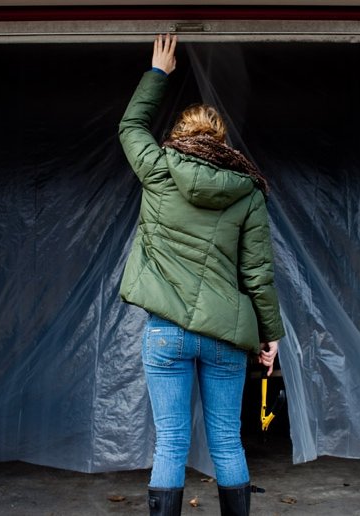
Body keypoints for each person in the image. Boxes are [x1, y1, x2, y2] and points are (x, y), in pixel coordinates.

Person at [118, 34, 285, 516]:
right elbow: (257, 273)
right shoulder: (247, 191)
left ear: (178, 137)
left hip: (166, 334)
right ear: (221, 143)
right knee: (228, 443)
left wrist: (158, 72)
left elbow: (131, 125)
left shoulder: (158, 169)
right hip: (226, 335)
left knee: (170, 444)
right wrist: (269, 336)